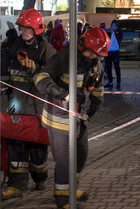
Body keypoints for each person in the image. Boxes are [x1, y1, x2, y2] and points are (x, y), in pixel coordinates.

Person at [34, 28, 108, 209]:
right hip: (58, 116)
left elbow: (97, 91)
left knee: (81, 154)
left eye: (97, 55)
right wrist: (60, 93)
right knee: (65, 160)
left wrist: (93, 109)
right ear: (82, 45)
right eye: (91, 52)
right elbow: (40, 77)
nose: (93, 57)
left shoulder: (96, 65)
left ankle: (71, 189)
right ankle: (63, 200)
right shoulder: (64, 58)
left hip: (78, 116)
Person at [2, 8, 55, 198]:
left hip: (37, 105)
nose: (24, 32)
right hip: (17, 101)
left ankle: (40, 177)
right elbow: (8, 70)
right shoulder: (15, 45)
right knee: (15, 143)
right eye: (22, 28)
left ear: (37, 29)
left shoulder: (46, 50)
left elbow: (53, 78)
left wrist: (36, 70)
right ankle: (16, 185)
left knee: (37, 145)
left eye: (27, 28)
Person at [104, 20, 123, 90]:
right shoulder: (109, 32)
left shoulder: (119, 32)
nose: (113, 26)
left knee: (117, 67)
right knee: (109, 67)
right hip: (109, 52)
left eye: (114, 25)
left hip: (115, 52)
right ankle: (110, 82)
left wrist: (114, 33)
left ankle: (118, 82)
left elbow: (118, 40)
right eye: (112, 25)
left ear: (117, 26)